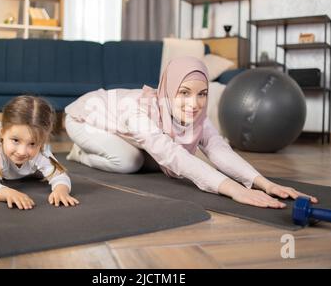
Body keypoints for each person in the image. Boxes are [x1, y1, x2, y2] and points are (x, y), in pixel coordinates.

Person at [64, 56, 317, 208]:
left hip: (119, 127)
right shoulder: (139, 112)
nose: (194, 103)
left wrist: (263, 183)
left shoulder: (195, 115)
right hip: (83, 119)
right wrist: (234, 190)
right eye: (184, 92)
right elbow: (175, 156)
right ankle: (80, 154)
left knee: (151, 160)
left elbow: (218, 148)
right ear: (170, 88)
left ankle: (111, 145)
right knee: (132, 161)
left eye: (202, 93)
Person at [0, 95, 79, 210]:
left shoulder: (41, 151)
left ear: (42, 142)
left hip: (14, 142)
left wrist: (61, 190)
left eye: (32, 143)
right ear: (2, 133)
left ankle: (19, 162)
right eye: (15, 140)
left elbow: (60, 175)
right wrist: (8, 193)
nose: (22, 152)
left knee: (39, 170)